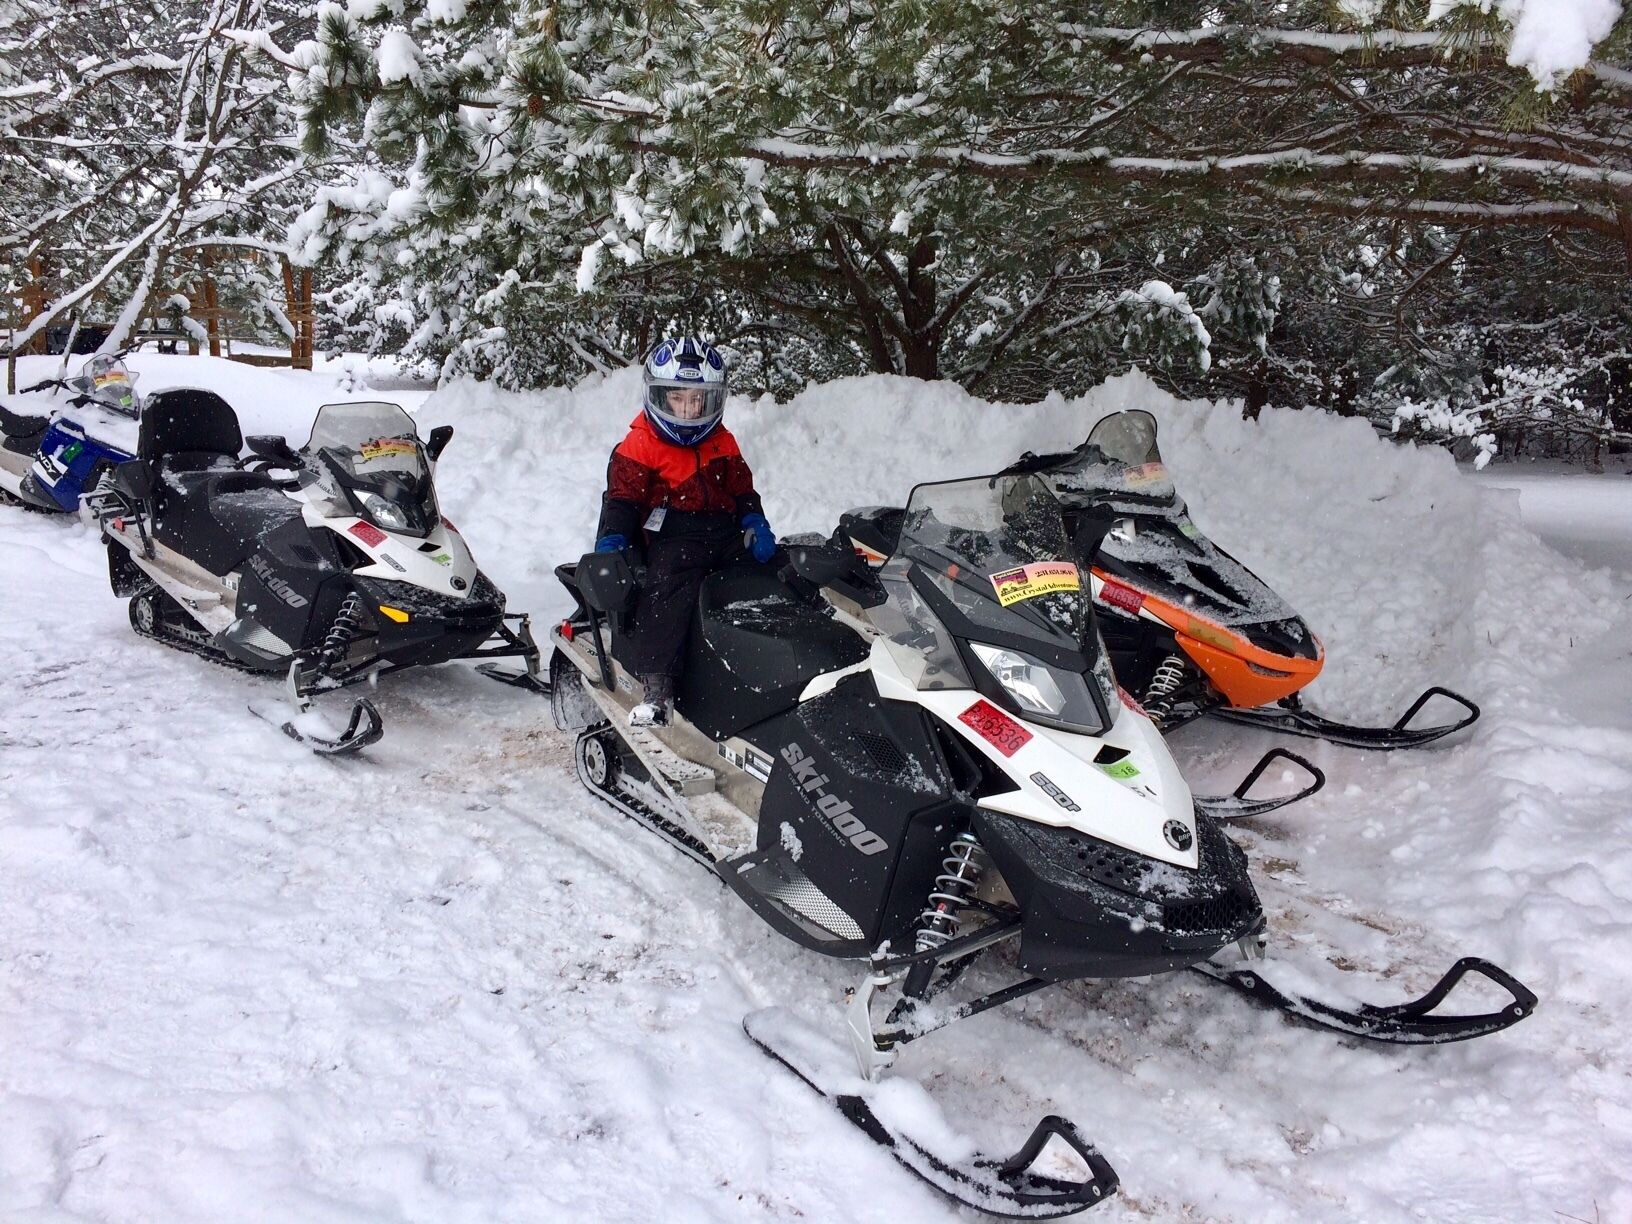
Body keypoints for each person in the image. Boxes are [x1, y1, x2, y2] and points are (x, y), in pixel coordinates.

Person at [595, 337, 776, 727]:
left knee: (767, 572)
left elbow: (742, 490)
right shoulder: (640, 443)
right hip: (673, 534)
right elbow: (623, 500)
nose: (689, 410)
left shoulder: (722, 440)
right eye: (678, 399)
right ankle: (657, 686)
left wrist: (755, 522)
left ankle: (764, 660)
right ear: (659, 397)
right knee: (669, 588)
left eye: (698, 400)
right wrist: (613, 539)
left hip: (723, 530)